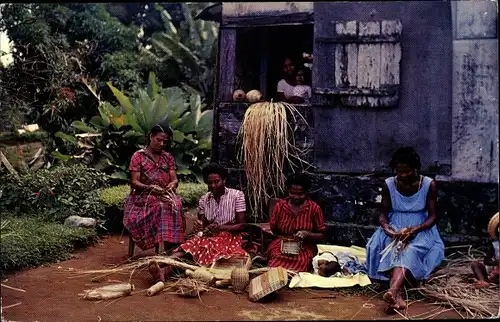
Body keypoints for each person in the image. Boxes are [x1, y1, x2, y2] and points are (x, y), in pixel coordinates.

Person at [365, 147, 445, 311]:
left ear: (415, 168)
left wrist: (416, 229)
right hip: (395, 225)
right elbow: (383, 214)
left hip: (421, 228)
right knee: (387, 246)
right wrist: (387, 228)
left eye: (407, 171)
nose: (402, 175)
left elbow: (433, 216)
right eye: (398, 171)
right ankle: (397, 295)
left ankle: (394, 292)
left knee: (410, 250)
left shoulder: (429, 184)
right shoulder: (389, 184)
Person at [148, 163, 251, 282]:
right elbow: (203, 224)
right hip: (209, 235)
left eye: (216, 182)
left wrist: (220, 228)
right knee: (190, 245)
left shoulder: (237, 195)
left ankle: (164, 266)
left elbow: (242, 225)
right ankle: (163, 267)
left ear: (224, 180)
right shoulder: (204, 199)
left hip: (230, 236)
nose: (213, 185)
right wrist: (200, 225)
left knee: (204, 246)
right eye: (210, 183)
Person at [123, 124, 185, 253]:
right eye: (158, 140)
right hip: (142, 197)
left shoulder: (167, 157)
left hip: (163, 194)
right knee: (161, 206)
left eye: (165, 142)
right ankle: (170, 249)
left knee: (176, 203)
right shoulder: (138, 156)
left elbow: (174, 179)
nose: (161, 144)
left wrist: (172, 184)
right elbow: (134, 182)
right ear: (151, 137)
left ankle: (172, 247)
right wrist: (149, 188)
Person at [266, 173, 326, 272]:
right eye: (292, 193)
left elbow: (322, 235)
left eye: (300, 194)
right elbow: (274, 228)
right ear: (288, 191)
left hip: (304, 246)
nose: (296, 197)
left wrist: (308, 234)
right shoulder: (280, 206)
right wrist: (286, 239)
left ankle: (291, 278)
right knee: (276, 257)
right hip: (282, 242)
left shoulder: (314, 208)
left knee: (301, 261)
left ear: (306, 192)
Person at [471, 212, 499, 288]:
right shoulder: (495, 245)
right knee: (475, 264)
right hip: (495, 270)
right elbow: (486, 260)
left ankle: (491, 283)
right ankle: (483, 281)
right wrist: (494, 263)